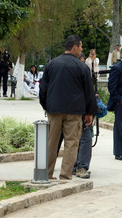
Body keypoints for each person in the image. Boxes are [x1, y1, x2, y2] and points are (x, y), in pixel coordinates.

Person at [39, 35, 98, 180]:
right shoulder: (82, 67)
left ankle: (46, 175)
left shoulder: (52, 64)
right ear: (75, 47)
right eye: (81, 46)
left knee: (51, 144)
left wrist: (47, 107)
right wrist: (90, 112)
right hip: (74, 112)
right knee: (72, 144)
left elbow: (43, 89)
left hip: (54, 110)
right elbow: (89, 92)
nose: (82, 49)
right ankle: (65, 177)